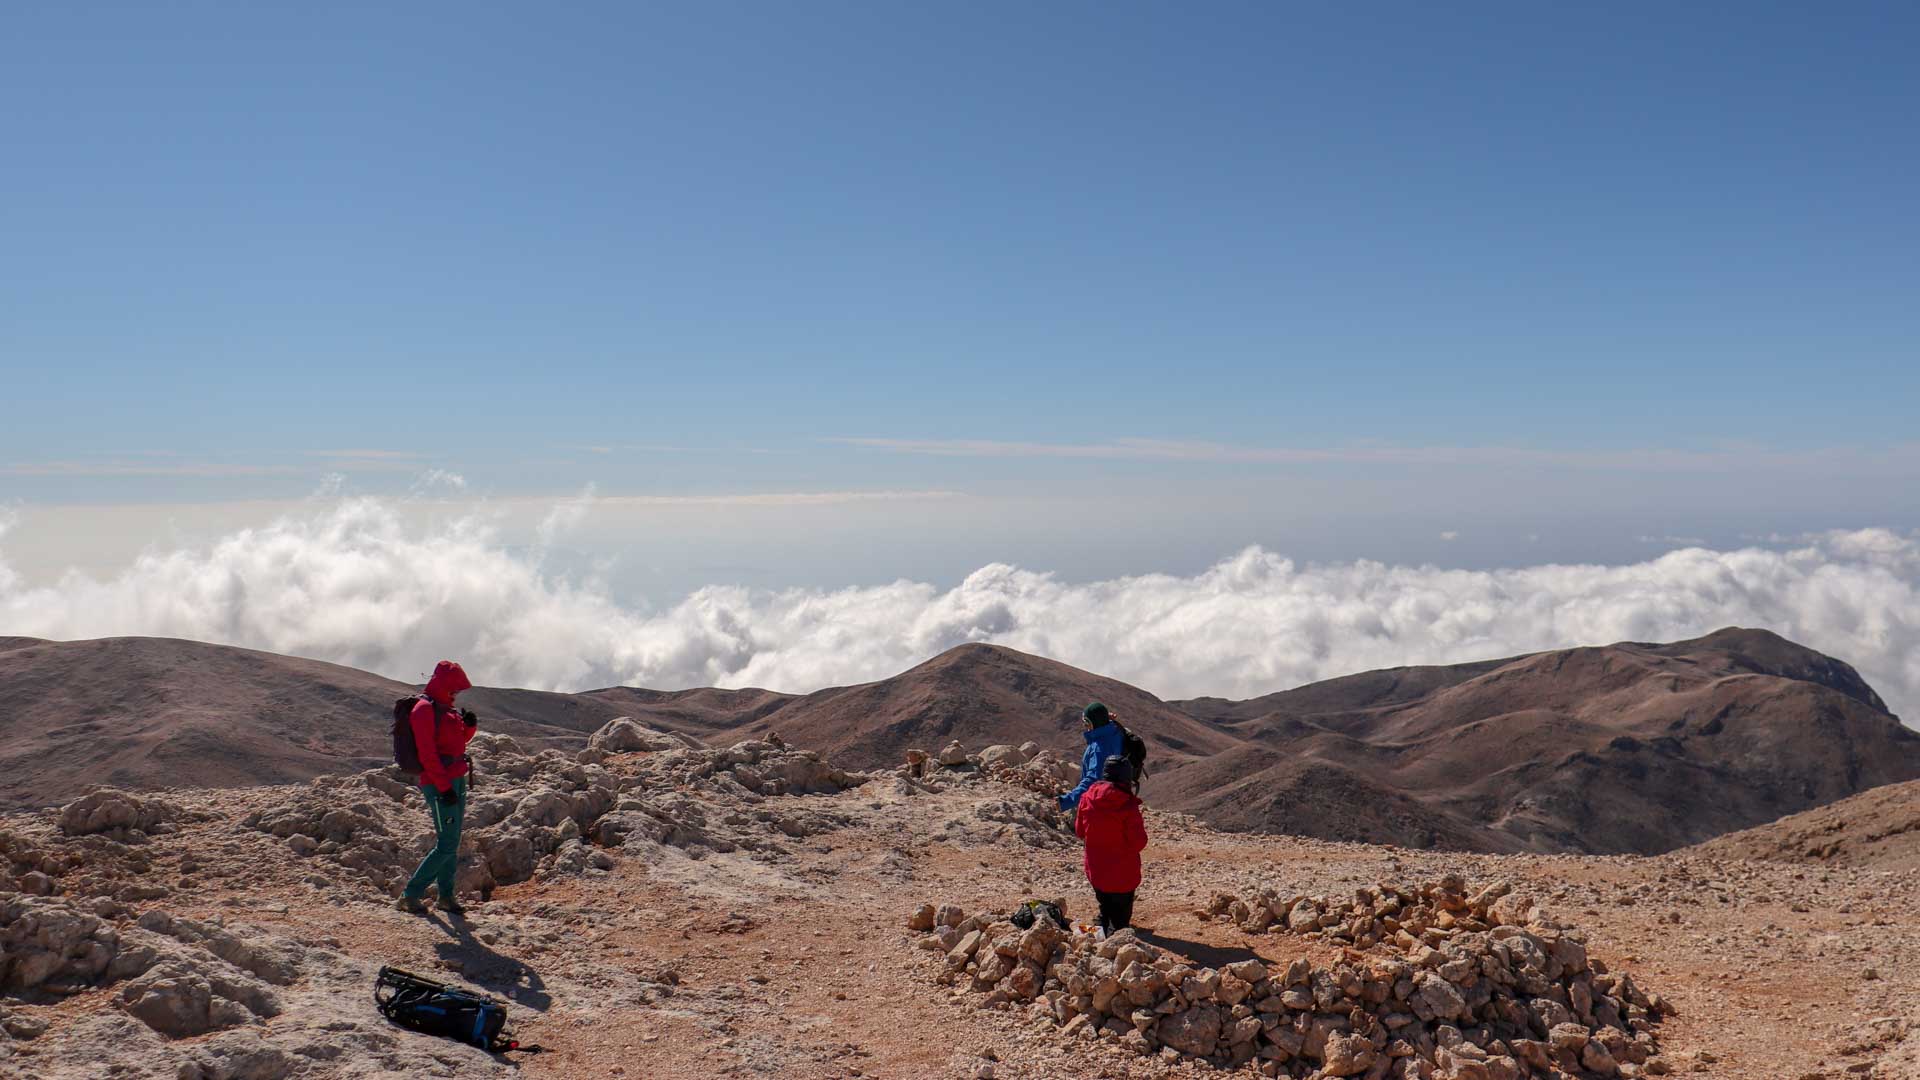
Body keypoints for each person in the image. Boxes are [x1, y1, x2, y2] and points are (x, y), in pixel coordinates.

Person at [398, 660, 477, 915]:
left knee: (452, 841)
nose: (456, 694)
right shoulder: (424, 710)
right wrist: (443, 788)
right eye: (453, 689)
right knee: (447, 843)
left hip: (455, 779)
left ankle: (446, 896)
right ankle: (410, 895)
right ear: (442, 685)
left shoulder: (445, 709)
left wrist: (470, 727)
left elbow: (455, 744)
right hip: (439, 782)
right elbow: (428, 754)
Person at [1074, 757, 1147, 936]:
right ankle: (1110, 944)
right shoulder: (1128, 805)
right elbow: (1139, 842)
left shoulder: (1087, 798)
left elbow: (1080, 831)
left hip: (1096, 872)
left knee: (1104, 909)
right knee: (1120, 924)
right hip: (1123, 877)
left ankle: (1088, 936)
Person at [1057, 701, 1125, 812]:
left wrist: (1065, 802)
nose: (1085, 727)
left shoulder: (1099, 748)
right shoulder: (1115, 732)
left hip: (1099, 804)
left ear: (1093, 723)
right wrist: (1104, 718)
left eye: (1086, 723)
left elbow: (1092, 781)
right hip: (1113, 797)